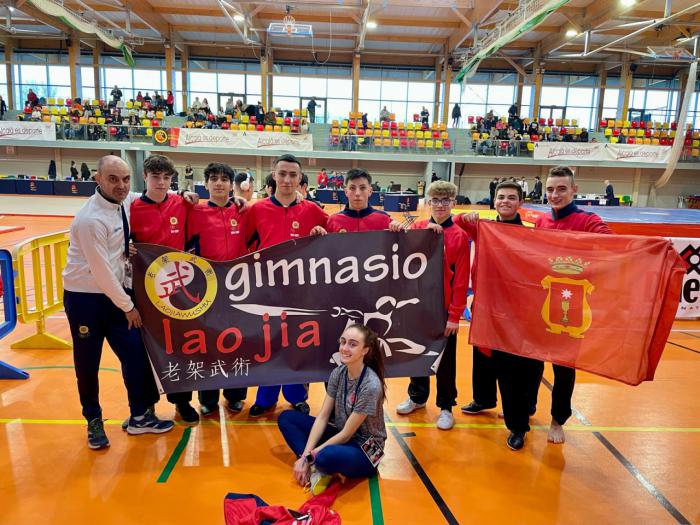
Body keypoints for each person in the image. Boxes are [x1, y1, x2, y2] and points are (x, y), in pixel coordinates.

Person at [62, 155, 174, 450]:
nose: (121, 185)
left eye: (125, 179)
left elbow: (152, 192)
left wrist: (183, 193)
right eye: (113, 179)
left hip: (116, 295)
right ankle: (94, 420)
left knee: (136, 355)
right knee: (87, 364)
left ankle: (140, 416)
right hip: (86, 297)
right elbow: (101, 273)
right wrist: (128, 306)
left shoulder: (125, 200)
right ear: (98, 179)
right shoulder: (89, 220)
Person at [456, 182, 541, 450]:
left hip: (514, 312)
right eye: (500, 197)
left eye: (511, 198)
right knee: (482, 356)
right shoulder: (484, 227)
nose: (505, 201)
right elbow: (456, 221)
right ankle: (483, 399)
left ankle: (518, 425)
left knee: (510, 370)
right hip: (485, 306)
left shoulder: (530, 235)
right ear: (494, 200)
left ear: (521, 202)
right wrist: (465, 216)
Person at [534, 166, 613, 444]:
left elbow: (613, 243)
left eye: (561, 189)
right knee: (531, 359)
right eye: (551, 189)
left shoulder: (588, 220)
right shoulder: (542, 222)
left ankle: (558, 419)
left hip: (571, 304)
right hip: (542, 300)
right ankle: (529, 408)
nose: (555, 194)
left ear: (574, 190)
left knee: (563, 366)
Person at [245, 154, 329, 417]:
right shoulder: (256, 210)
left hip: (301, 294)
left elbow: (337, 237)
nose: (287, 180)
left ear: (300, 179)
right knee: (268, 345)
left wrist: (321, 236)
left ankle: (297, 396)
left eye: (293, 175)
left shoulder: (313, 210)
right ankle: (266, 397)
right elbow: (245, 247)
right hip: (266, 292)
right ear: (273, 175)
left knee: (297, 347)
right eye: (282, 174)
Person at [391, 181, 470, 430]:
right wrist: (394, 229)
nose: (440, 205)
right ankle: (417, 397)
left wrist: (455, 315)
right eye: (435, 200)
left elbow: (460, 280)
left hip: (443, 309)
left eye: (446, 200)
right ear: (428, 203)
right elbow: (400, 256)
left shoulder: (459, 235)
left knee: (446, 361)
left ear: (453, 203)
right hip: (418, 306)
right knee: (418, 354)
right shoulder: (417, 228)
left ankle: (446, 406)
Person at [129, 155, 200, 423]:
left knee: (180, 348)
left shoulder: (182, 204)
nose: (160, 182)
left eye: (166, 178)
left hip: (179, 291)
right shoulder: (132, 208)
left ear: (172, 180)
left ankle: (182, 402)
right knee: (147, 350)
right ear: (145, 177)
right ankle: (147, 405)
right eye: (155, 177)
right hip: (145, 292)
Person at [277, 324, 387, 494]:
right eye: (343, 342)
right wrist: (306, 454)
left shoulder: (371, 385)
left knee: (325, 457)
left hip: (368, 449)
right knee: (286, 418)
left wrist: (311, 455)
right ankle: (313, 466)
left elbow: (346, 434)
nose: (344, 348)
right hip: (341, 436)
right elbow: (322, 416)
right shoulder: (338, 373)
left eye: (352, 344)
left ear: (365, 350)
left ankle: (316, 464)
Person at [187, 163, 249, 415]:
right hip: (207, 289)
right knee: (208, 344)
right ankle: (208, 397)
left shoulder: (243, 211)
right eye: (214, 179)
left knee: (236, 341)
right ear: (206, 183)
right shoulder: (195, 212)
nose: (219, 183)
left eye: (225, 179)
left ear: (231, 184)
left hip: (237, 288)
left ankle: (235, 394)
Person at [326, 169, 394, 233]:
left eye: (362, 188)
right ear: (346, 192)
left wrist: (399, 229)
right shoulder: (333, 221)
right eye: (352, 188)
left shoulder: (385, 219)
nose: (357, 193)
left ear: (370, 191)